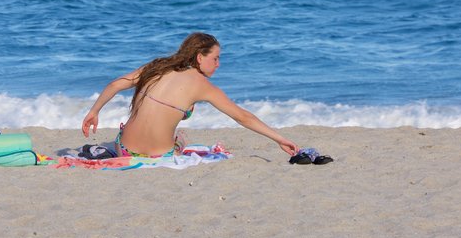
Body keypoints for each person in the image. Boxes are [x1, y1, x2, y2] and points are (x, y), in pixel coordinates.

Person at [81, 32, 299, 158]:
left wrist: (94, 111)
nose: (218, 65)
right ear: (199, 57)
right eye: (215, 58)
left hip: (124, 151)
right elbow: (242, 117)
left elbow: (116, 84)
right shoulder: (203, 86)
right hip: (161, 157)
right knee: (182, 136)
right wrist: (280, 139)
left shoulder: (156, 67)